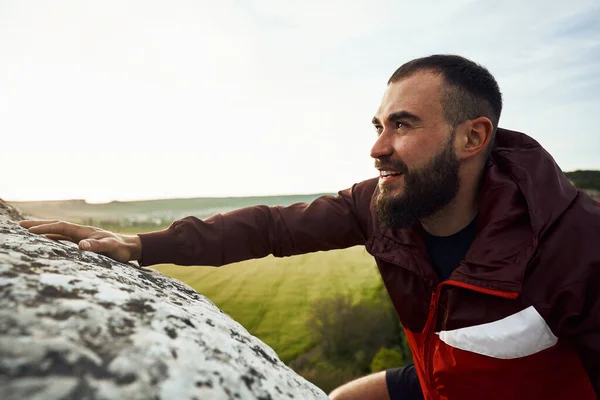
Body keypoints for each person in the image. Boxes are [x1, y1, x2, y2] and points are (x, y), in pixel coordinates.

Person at [20, 55, 600, 400]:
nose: (377, 148)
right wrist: (141, 244)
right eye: (378, 124)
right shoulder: (378, 206)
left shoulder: (579, 245)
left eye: (402, 125)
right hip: (441, 382)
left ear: (472, 137)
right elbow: (272, 227)